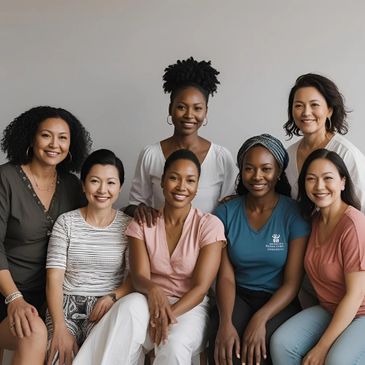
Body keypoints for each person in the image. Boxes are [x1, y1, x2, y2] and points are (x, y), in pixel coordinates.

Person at [73, 149, 226, 365]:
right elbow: (140, 277)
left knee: (173, 345)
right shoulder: (143, 223)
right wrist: (154, 290)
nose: (182, 186)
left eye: (190, 180)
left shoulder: (209, 225)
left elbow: (200, 289)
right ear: (162, 181)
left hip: (189, 307)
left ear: (197, 186)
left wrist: (166, 315)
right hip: (147, 298)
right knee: (126, 309)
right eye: (174, 178)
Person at [0, 106, 91, 365]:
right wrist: (14, 298)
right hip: (7, 292)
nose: (55, 144)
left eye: (63, 137)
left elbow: (95, 221)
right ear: (31, 138)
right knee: (34, 333)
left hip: (51, 296)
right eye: (46, 135)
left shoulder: (72, 186)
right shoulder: (5, 178)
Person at [209, 134, 310, 365]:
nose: (257, 177)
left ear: (278, 173)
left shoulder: (293, 215)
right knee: (226, 348)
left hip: (278, 299)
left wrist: (260, 319)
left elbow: (292, 283)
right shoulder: (225, 213)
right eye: (249, 169)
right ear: (241, 171)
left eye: (266, 169)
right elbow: (225, 277)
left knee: (259, 350)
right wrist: (226, 323)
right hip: (237, 295)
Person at [271, 149, 365, 365]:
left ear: (342, 182)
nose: (319, 186)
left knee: (337, 360)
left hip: (360, 312)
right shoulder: (311, 221)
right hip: (329, 308)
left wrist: (322, 347)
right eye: (311, 179)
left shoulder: (353, 224)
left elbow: (355, 294)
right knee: (281, 342)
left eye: (327, 178)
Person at [45, 149, 132, 365]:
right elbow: (54, 279)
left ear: (120, 187)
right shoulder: (66, 223)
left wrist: (113, 296)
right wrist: (59, 327)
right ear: (84, 185)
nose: (103, 189)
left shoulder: (129, 226)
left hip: (106, 306)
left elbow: (136, 276)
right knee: (58, 357)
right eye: (95, 181)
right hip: (65, 306)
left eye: (111, 183)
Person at [125, 57, 237, 224]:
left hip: (207, 244)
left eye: (197, 108)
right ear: (170, 109)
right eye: (181, 107)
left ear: (206, 112)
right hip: (161, 242)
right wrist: (141, 210)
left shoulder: (221, 157)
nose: (189, 115)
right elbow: (133, 205)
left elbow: (230, 208)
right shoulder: (151, 154)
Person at [284, 73, 365, 212]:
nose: (306, 112)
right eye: (298, 106)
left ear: (329, 110)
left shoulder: (346, 153)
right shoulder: (288, 155)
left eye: (314, 104)